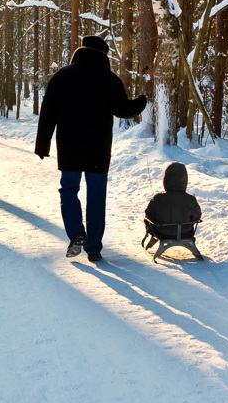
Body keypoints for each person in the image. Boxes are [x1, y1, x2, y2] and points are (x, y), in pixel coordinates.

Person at [35, 36, 146, 262]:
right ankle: (94, 247)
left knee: (69, 190)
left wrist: (42, 144)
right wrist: (141, 102)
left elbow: (48, 111)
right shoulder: (109, 79)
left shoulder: (62, 76)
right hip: (98, 147)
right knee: (96, 195)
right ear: (103, 55)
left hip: (69, 146)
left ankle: (76, 233)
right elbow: (123, 109)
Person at [144, 162, 202, 238]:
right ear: (185, 180)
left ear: (166, 179)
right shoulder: (191, 199)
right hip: (184, 233)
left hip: (160, 233)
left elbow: (149, 214)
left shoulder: (158, 198)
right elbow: (196, 216)